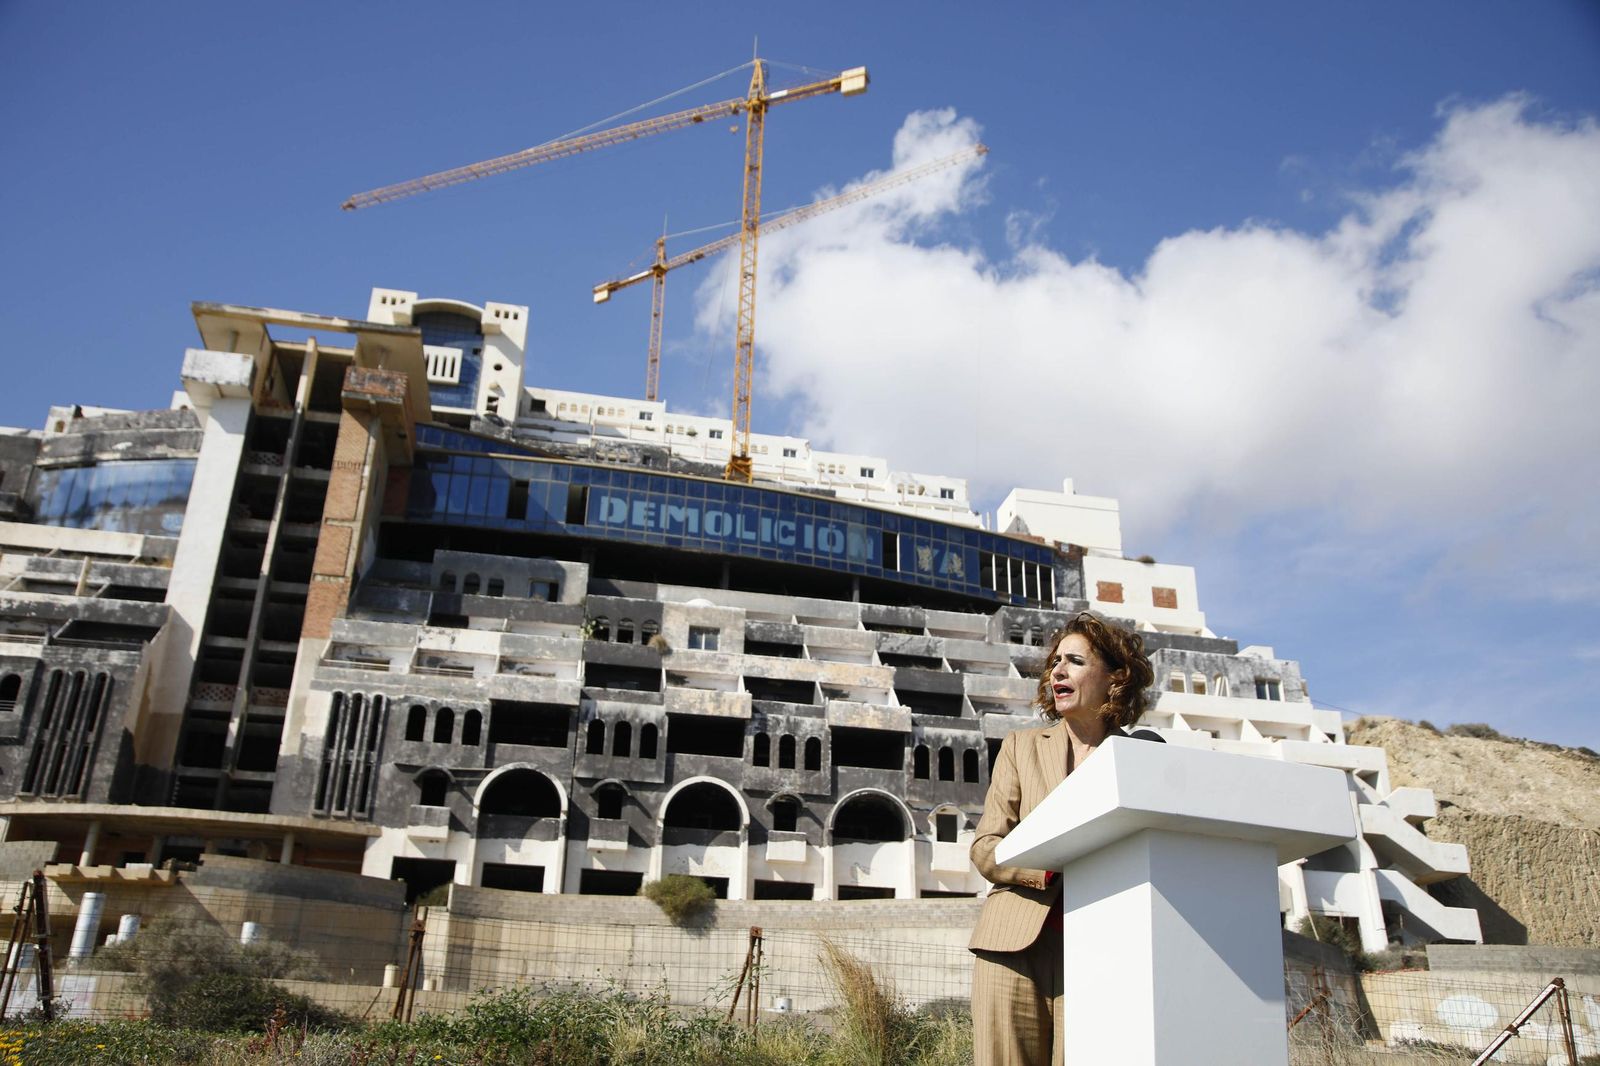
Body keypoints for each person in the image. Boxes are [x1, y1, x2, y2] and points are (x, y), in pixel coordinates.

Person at [967, 611, 1158, 1066]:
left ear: (1115, 677)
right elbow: (986, 845)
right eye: (1055, 661)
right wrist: (1047, 866)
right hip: (1011, 946)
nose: (1057, 670)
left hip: (1099, 952)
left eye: (1074, 660)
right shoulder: (1021, 746)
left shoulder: (1137, 757)